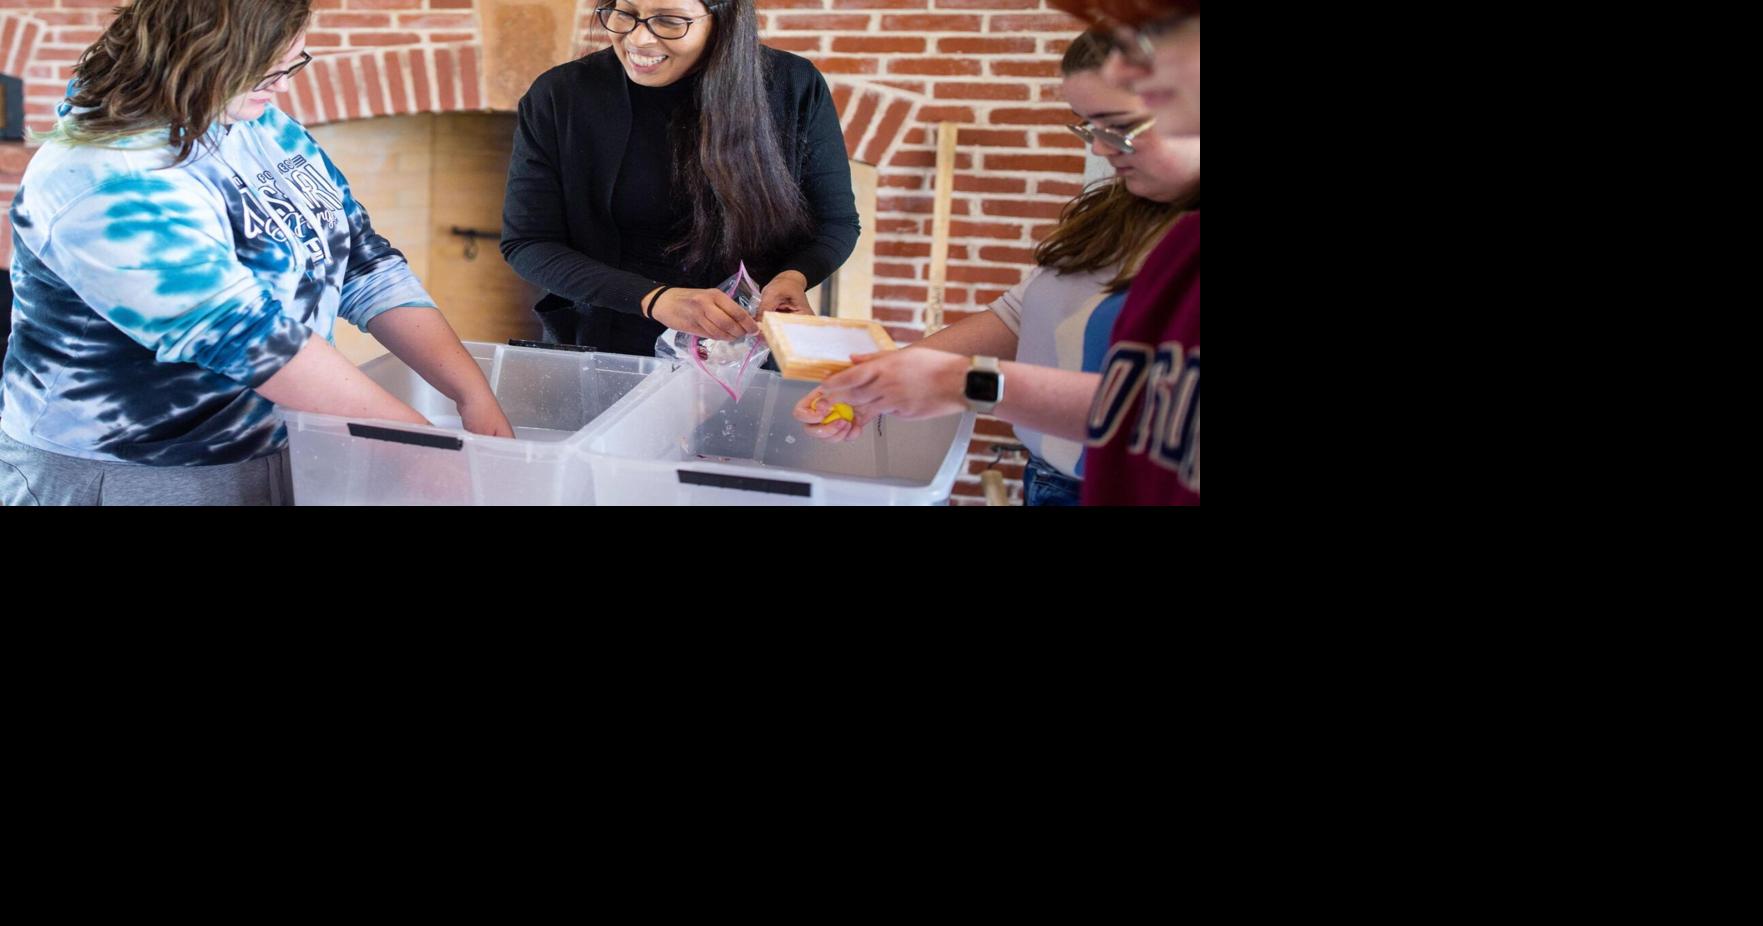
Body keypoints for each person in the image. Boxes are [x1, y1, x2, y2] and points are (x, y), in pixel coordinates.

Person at [1, 0, 512, 506]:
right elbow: (246, 337)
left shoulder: (260, 124)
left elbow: (362, 261)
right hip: (126, 472)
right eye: (268, 74)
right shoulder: (105, 176)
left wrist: (473, 394)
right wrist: (419, 447)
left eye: (292, 65)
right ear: (202, 55)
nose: (285, 86)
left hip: (278, 445)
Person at [501, 0, 860, 357]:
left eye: (670, 21)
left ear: (723, 20)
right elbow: (529, 243)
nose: (639, 39)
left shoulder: (793, 86)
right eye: (624, 13)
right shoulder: (561, 95)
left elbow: (836, 222)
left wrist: (794, 276)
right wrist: (655, 299)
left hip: (749, 349)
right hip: (605, 345)